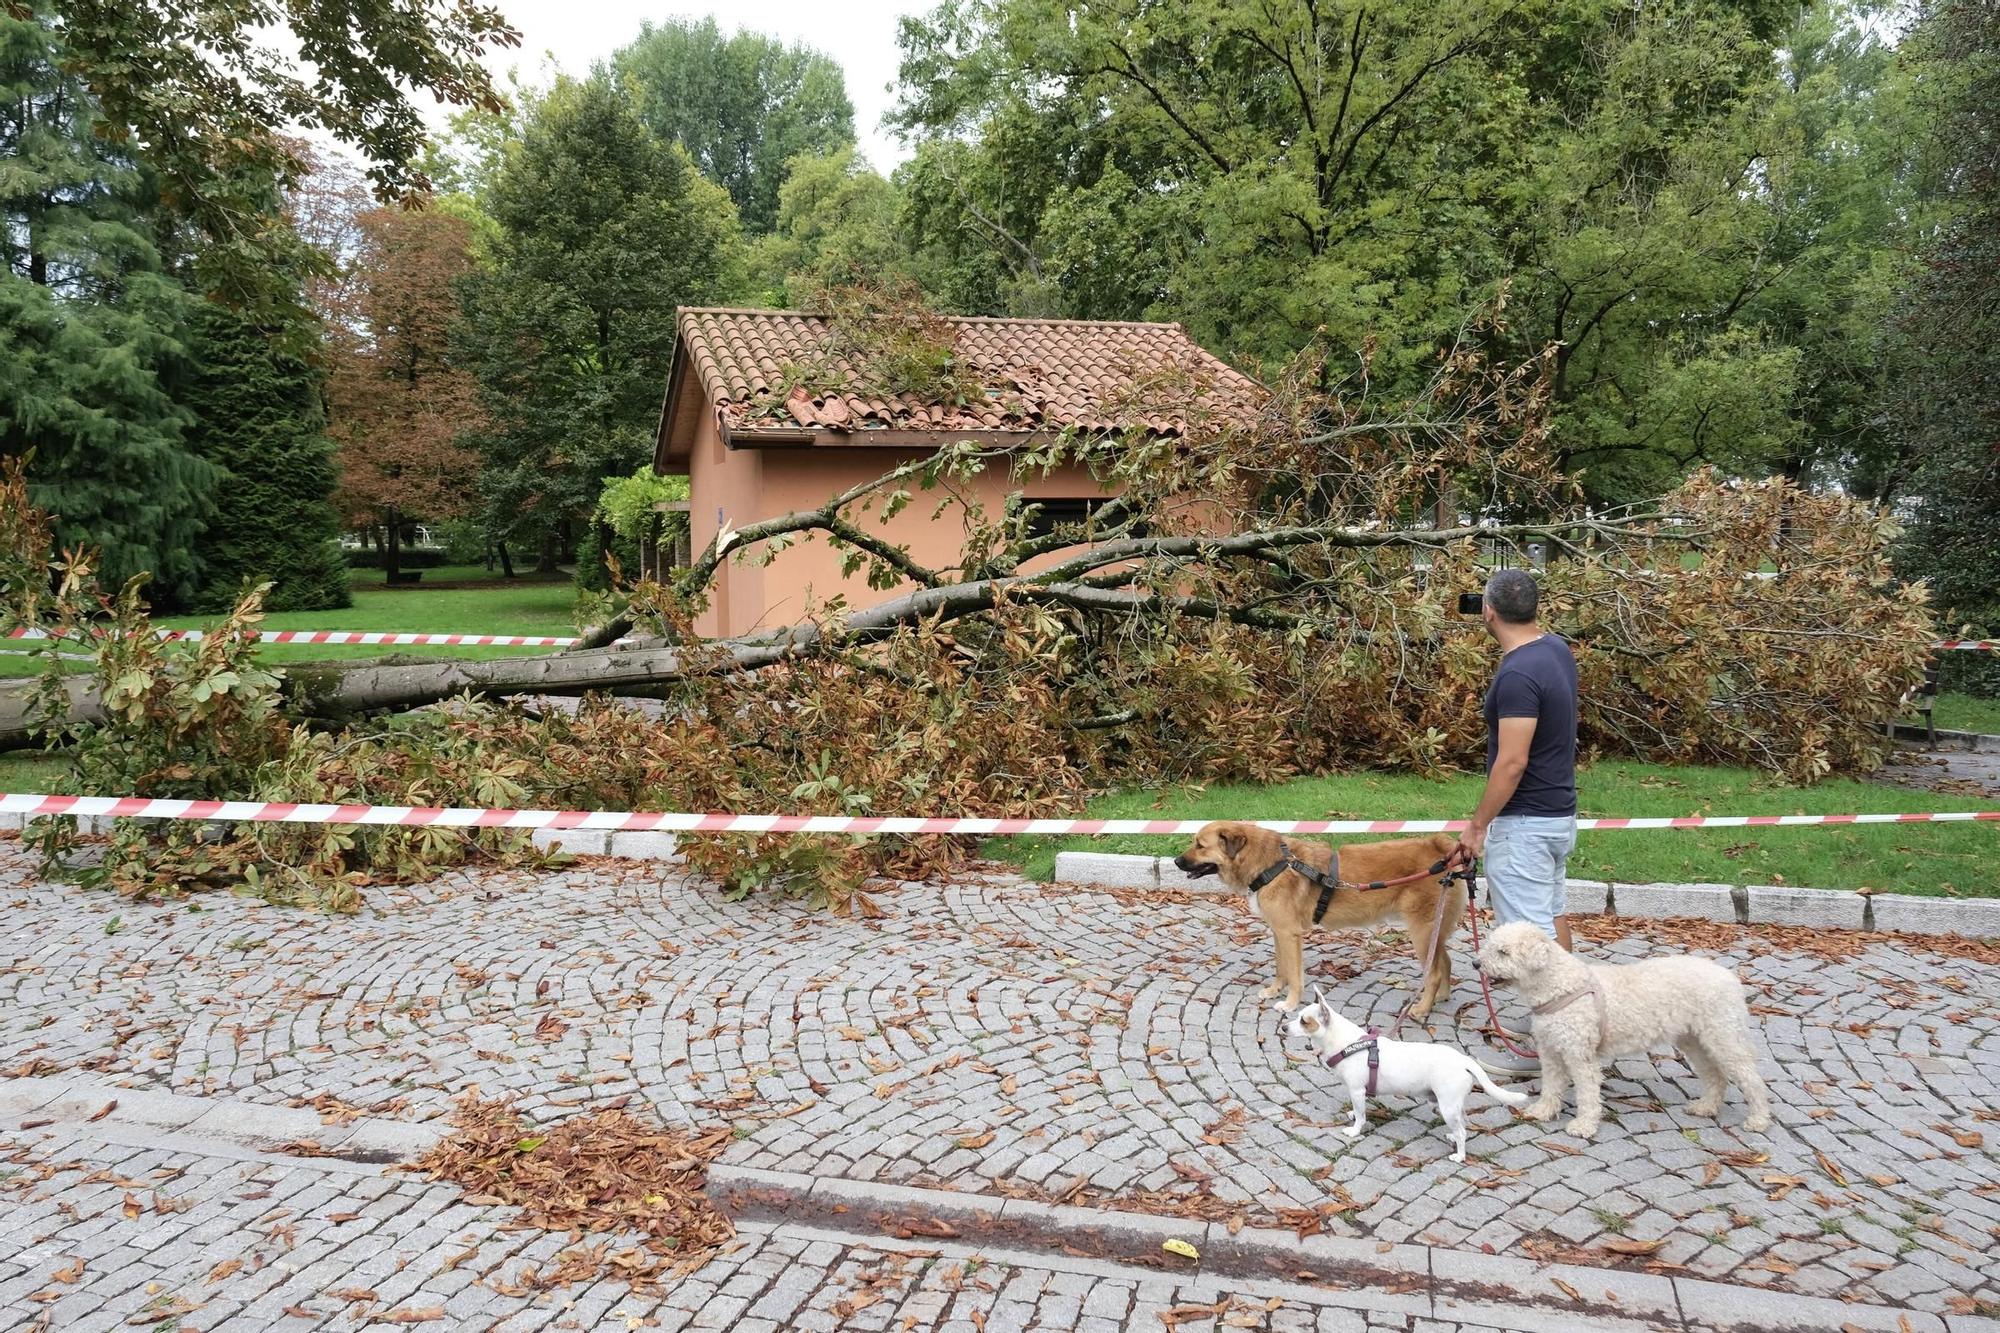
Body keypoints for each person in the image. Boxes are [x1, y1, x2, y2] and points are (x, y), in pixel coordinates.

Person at [1462, 568, 1579, 1079]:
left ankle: (1555, 1050)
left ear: (1488, 611)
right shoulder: (1555, 649)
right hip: (1558, 816)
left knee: (1530, 941)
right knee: (1552, 921)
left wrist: (1476, 826)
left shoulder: (1515, 675)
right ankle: (1571, 1026)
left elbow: (1512, 761)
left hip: (1526, 825)